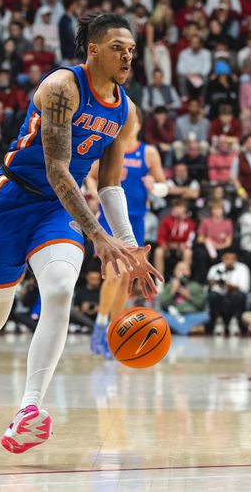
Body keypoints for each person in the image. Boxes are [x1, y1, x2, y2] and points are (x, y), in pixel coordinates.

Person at [0, 14, 162, 455]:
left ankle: (28, 411)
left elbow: (110, 183)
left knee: (59, 290)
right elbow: (57, 169)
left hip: (58, 211)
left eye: (131, 47)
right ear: (93, 49)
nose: (128, 54)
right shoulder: (61, 87)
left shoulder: (124, 109)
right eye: (118, 46)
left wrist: (129, 246)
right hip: (11, 200)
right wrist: (99, 234)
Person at [84, 115, 168, 358]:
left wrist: (154, 186)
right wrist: (94, 195)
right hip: (110, 219)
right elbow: (91, 176)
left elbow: (164, 187)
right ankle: (101, 327)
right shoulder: (110, 148)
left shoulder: (148, 153)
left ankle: (113, 329)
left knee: (124, 279)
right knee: (113, 275)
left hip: (136, 221)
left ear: (140, 125)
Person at [207, 249, 250, 337]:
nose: (230, 261)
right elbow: (210, 286)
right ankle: (218, 322)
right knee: (212, 296)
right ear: (223, 258)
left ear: (236, 259)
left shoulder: (243, 268)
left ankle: (235, 322)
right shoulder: (215, 268)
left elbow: (245, 288)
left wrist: (229, 286)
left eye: (232, 259)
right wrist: (217, 283)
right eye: (227, 258)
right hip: (220, 298)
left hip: (234, 298)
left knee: (240, 295)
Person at [159, 261, 209, 335]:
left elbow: (201, 304)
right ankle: (187, 330)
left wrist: (189, 296)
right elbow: (163, 304)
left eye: (185, 269)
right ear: (175, 272)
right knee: (161, 315)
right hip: (174, 315)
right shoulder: (169, 286)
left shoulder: (195, 286)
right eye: (180, 269)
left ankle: (181, 328)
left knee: (205, 316)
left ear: (189, 272)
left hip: (191, 315)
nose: (182, 272)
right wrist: (172, 291)